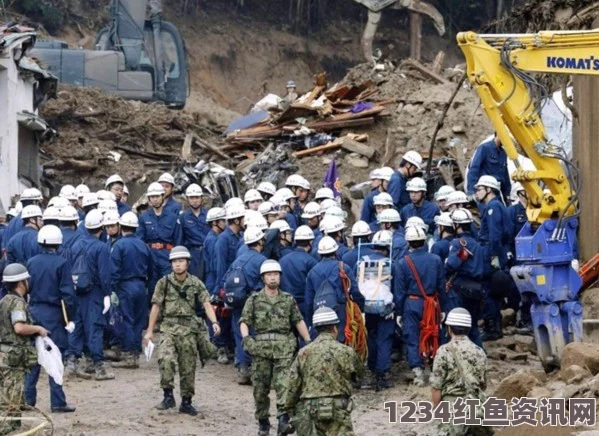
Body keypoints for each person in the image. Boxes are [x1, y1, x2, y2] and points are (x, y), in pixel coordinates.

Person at [145, 246, 221, 416]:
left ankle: (186, 401)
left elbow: (206, 303)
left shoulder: (195, 283)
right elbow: (156, 307)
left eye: (181, 261)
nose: (177, 265)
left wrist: (214, 322)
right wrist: (150, 331)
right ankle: (168, 395)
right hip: (169, 328)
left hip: (188, 329)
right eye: (174, 262)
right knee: (165, 359)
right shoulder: (163, 283)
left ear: (187, 263)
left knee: (188, 367)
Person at [240, 259, 311, 436]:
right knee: (260, 388)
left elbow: (298, 320)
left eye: (276, 275)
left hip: (284, 349)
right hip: (261, 349)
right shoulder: (254, 300)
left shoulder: (288, 299)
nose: (273, 278)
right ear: (263, 278)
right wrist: (247, 339)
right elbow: (244, 321)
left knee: (284, 385)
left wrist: (308, 341)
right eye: (269, 275)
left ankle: (282, 420)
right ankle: (263, 423)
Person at [286, 307, 364, 436]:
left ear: (316, 329)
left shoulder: (303, 353)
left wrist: (289, 410)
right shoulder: (346, 351)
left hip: (311, 409)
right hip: (339, 408)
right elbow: (360, 374)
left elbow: (293, 386)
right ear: (335, 328)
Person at [25, 225, 77, 413]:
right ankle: (57, 402)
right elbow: (68, 295)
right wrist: (71, 318)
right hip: (54, 315)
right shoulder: (62, 263)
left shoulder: (31, 262)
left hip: (34, 312)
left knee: (32, 359)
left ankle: (27, 400)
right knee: (54, 358)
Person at [67, 210, 115, 381]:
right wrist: (108, 294)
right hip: (94, 292)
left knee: (77, 325)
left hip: (76, 291)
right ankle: (99, 366)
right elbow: (105, 275)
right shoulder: (101, 248)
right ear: (101, 227)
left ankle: (72, 362)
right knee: (95, 327)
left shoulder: (75, 245)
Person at [394, 226, 444, 387]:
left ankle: (418, 373)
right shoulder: (435, 260)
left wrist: (399, 312)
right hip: (432, 303)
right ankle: (435, 369)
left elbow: (399, 291)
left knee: (412, 337)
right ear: (424, 241)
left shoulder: (403, 263)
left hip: (412, 303)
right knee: (433, 334)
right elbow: (441, 286)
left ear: (409, 243)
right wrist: (444, 308)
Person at [0, 264, 48, 434]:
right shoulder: (17, 303)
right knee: (11, 400)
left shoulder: (4, 301)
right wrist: (38, 329)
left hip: (3, 355)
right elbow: (19, 328)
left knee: (5, 396)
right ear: (21, 282)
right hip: (13, 358)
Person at [430, 308, 492, 436]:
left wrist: (437, 409)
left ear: (449, 329)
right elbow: (483, 385)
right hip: (476, 409)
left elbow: (436, 387)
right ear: (468, 329)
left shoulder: (444, 351)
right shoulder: (480, 352)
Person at [222, 227, 267, 385]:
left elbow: (225, 279)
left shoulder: (238, 260)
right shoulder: (262, 260)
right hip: (254, 301)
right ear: (260, 241)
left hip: (237, 303)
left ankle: (243, 368)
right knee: (255, 334)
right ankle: (256, 371)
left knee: (240, 334)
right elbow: (265, 283)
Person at [110, 212, 153, 369]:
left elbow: (114, 269)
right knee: (139, 320)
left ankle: (129, 354)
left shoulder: (118, 246)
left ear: (121, 227)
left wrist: (112, 288)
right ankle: (135, 353)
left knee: (127, 319)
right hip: (141, 285)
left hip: (125, 286)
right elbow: (152, 268)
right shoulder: (143, 245)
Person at [355, 231, 395, 391]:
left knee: (370, 335)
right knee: (384, 338)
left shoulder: (361, 261)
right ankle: (382, 373)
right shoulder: (390, 263)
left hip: (367, 305)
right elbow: (396, 287)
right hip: (384, 305)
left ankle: (371, 367)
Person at [305, 236, 364, 341]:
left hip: (319, 312)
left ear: (319, 253)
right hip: (341, 312)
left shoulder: (312, 272)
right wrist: (361, 308)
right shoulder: (343, 267)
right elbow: (354, 291)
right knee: (343, 342)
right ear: (336, 251)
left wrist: (310, 321)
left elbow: (309, 302)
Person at [474, 175, 511, 341]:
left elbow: (495, 235)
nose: (477, 193)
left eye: (479, 189)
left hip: (491, 251)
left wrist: (493, 256)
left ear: (489, 189)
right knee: (494, 291)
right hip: (496, 251)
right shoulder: (498, 206)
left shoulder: (492, 208)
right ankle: (495, 326)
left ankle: (492, 328)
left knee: (489, 290)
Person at [137, 182, 183, 306]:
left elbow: (178, 240)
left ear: (163, 197)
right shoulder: (144, 217)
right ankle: (153, 317)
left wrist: (175, 260)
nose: (155, 199)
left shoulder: (173, 217)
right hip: (150, 256)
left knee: (169, 286)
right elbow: (140, 240)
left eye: (157, 196)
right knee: (152, 287)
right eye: (152, 197)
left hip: (167, 256)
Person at [444, 209, 485, 347]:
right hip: (477, 289)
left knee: (455, 325)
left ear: (456, 225)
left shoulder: (458, 243)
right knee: (472, 326)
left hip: (460, 289)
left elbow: (451, 264)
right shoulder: (478, 245)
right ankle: (479, 354)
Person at [280, 226, 318, 320]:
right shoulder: (311, 261)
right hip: (304, 304)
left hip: (285, 303)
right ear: (310, 242)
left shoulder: (282, 260)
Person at [467, 134, 511, 201]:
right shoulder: (484, 148)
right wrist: (471, 191)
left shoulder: (503, 153)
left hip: (496, 191)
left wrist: (507, 194)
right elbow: (474, 168)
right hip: (484, 191)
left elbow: (505, 175)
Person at [214, 203, 245, 298]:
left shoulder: (240, 236)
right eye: (244, 218)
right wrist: (220, 288)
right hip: (228, 282)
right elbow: (221, 265)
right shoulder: (223, 239)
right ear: (236, 220)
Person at [181, 184, 209, 279]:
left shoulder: (208, 215)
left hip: (208, 251)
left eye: (197, 197)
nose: (195, 201)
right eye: (192, 198)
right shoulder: (183, 217)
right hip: (193, 253)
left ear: (201, 198)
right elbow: (180, 239)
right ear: (187, 199)